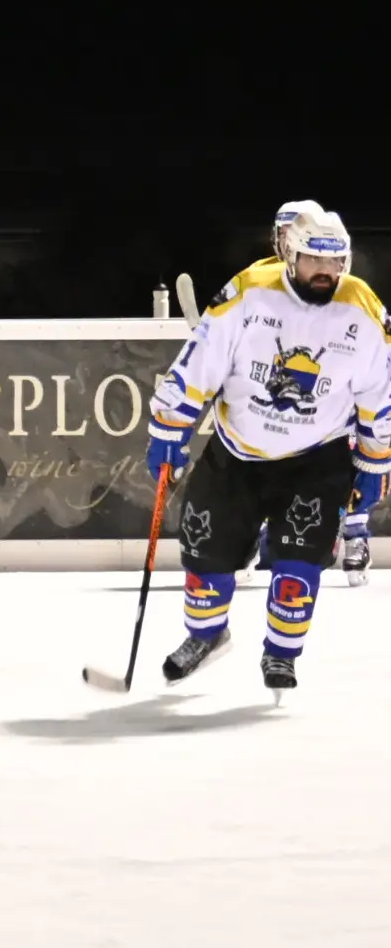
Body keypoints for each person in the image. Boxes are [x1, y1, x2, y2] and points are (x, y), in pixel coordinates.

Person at [144, 204, 391, 691]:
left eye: (336, 261)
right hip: (237, 453)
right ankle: (207, 635)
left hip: (317, 459)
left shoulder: (362, 310)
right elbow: (201, 361)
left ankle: (281, 653)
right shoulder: (250, 293)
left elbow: (379, 393)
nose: (326, 271)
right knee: (205, 553)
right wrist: (169, 427)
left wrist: (374, 458)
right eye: (314, 260)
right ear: (289, 254)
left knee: (299, 565)